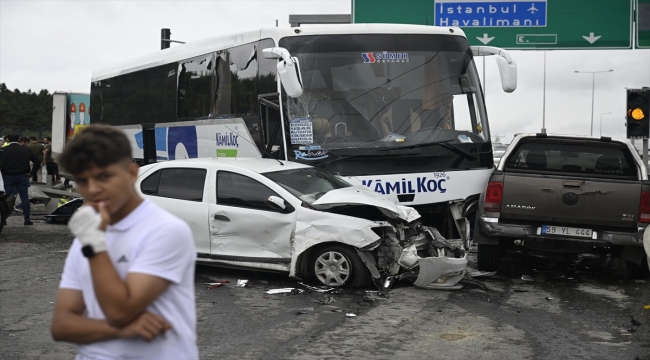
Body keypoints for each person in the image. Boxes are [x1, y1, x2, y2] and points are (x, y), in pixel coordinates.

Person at [50, 125, 198, 359]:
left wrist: (93, 241)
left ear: (131, 173)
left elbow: (119, 311)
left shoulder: (166, 230)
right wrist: (120, 330)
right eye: (82, 181)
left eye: (103, 176)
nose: (93, 189)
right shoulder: (88, 235)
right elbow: (61, 325)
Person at [0, 134, 39, 225]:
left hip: (8, 176)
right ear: (18, 139)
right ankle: (27, 219)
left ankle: (3, 219)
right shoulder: (26, 149)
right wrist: (32, 173)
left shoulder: (3, 150)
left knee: (6, 199)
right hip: (22, 176)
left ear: (8, 139)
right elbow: (37, 161)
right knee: (24, 198)